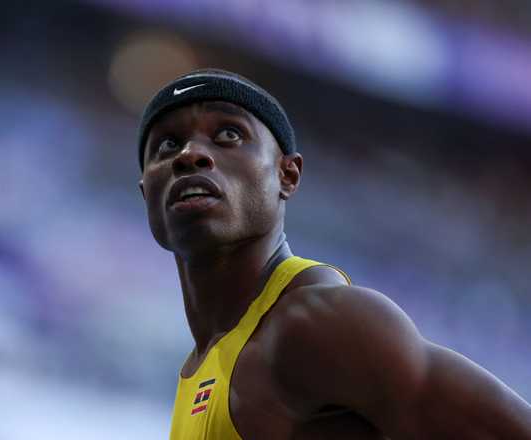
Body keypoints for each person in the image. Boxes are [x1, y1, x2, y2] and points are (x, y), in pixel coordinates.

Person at [137, 68, 531, 439]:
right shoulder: (201, 364)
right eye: (168, 144)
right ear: (146, 194)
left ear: (287, 176)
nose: (189, 155)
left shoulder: (317, 324)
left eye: (228, 134)